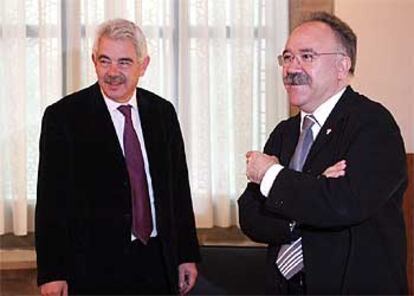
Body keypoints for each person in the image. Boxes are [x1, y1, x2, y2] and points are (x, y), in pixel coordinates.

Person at [238, 11, 408, 295]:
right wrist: (313, 191)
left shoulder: (373, 124)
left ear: (342, 66)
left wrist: (271, 175)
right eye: (287, 57)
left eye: (307, 56)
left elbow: (344, 205)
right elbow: (250, 215)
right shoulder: (285, 132)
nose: (292, 68)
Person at [35, 18, 200, 295]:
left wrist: (186, 253)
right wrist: (52, 273)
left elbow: (178, 190)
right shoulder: (63, 117)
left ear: (143, 65)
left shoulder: (163, 113)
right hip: (92, 269)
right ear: (93, 61)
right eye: (104, 60)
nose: (112, 72)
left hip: (157, 261)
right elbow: (52, 202)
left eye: (124, 62)